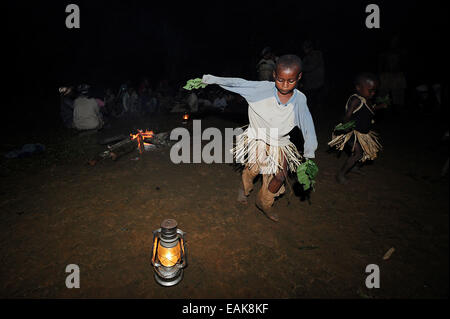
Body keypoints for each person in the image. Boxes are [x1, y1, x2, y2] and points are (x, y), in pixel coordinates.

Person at [201, 54, 318, 222]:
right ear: (274, 75)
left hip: (281, 143)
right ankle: (244, 187)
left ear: (299, 77)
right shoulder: (261, 90)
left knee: (280, 175)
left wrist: (310, 153)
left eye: (291, 81)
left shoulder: (300, 99)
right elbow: (238, 83)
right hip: (259, 138)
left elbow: (307, 125)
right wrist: (212, 79)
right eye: (280, 79)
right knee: (253, 170)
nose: (285, 85)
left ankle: (264, 202)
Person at [328, 73, 388, 184]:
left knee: (367, 152)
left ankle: (354, 167)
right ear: (359, 88)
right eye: (370, 90)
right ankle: (340, 174)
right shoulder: (355, 100)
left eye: (375, 90)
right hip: (352, 133)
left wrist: (380, 106)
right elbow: (346, 116)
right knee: (358, 154)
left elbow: (369, 109)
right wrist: (345, 126)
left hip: (363, 133)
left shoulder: (366, 99)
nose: (373, 93)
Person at [301, 40, 325, 115]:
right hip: (310, 83)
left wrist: (301, 67)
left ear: (310, 48)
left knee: (315, 101)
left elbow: (311, 67)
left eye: (306, 48)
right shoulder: (306, 57)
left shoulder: (316, 55)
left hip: (317, 83)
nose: (304, 50)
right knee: (310, 100)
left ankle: (316, 115)